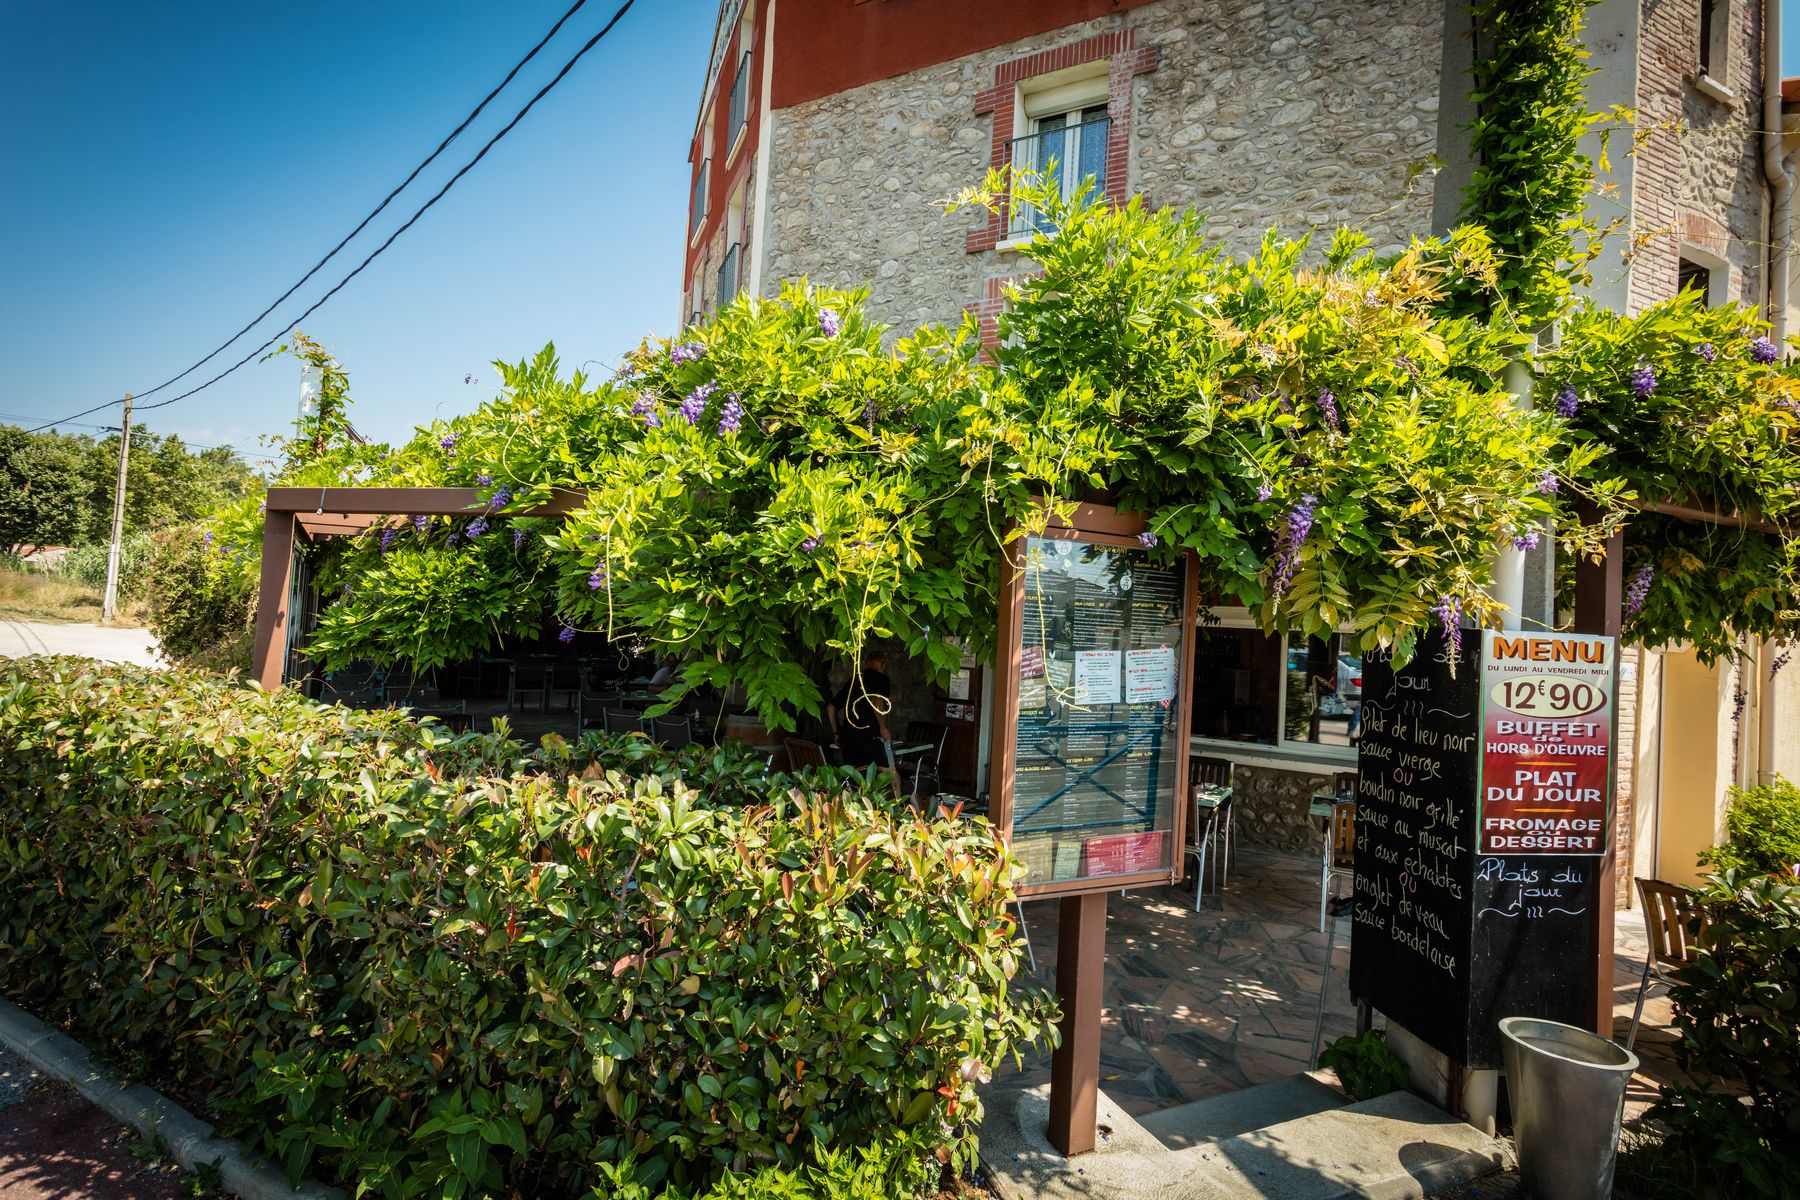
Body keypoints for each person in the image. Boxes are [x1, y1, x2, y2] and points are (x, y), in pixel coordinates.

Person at [827, 651, 894, 769]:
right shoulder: (882, 679)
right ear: (883, 664)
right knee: (891, 774)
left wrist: (837, 733)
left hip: (849, 742)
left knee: (857, 776)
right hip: (871, 739)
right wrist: (883, 728)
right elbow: (877, 701)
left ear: (866, 663)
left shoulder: (854, 680)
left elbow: (831, 707)